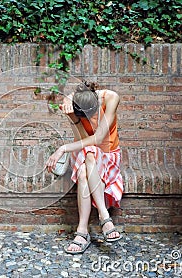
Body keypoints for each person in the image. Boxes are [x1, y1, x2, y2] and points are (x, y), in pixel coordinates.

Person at [45, 81, 124, 254]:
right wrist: (73, 118)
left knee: (83, 172)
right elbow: (83, 139)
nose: (92, 121)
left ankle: (82, 232)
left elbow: (98, 137)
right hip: (86, 153)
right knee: (89, 153)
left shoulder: (111, 98)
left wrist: (62, 148)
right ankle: (105, 219)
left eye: (93, 114)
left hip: (109, 155)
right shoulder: (73, 106)